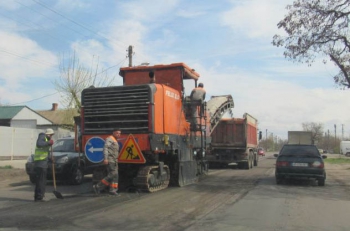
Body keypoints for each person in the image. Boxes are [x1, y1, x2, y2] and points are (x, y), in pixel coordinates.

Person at [93, 129, 121, 196]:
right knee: (113, 174)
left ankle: (113, 190)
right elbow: (105, 148)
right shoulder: (110, 139)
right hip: (110, 160)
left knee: (115, 175)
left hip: (115, 160)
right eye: (117, 133)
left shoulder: (114, 140)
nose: (119, 135)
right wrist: (106, 159)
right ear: (113, 133)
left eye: (120, 133)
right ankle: (98, 186)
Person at [34, 128, 54, 202]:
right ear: (48, 134)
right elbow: (39, 144)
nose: (51, 137)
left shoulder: (45, 139)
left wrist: (50, 159)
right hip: (40, 163)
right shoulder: (42, 137)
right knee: (41, 181)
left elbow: (45, 152)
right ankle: (39, 197)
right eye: (51, 135)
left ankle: (38, 196)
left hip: (42, 162)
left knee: (40, 180)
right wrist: (49, 143)